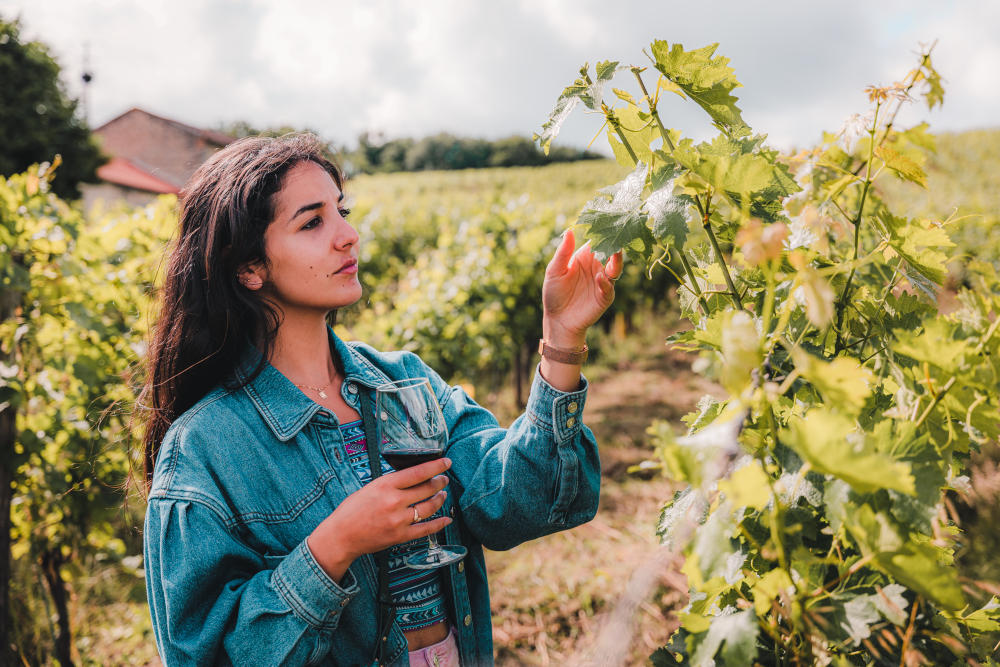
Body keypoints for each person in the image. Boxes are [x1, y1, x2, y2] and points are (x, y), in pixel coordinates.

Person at [140, 133, 623, 666]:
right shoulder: (206, 447)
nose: (348, 236)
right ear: (249, 268)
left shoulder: (404, 380)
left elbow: (516, 506)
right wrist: (335, 545)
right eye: (312, 222)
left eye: (341, 212)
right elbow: (203, 655)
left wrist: (562, 340)